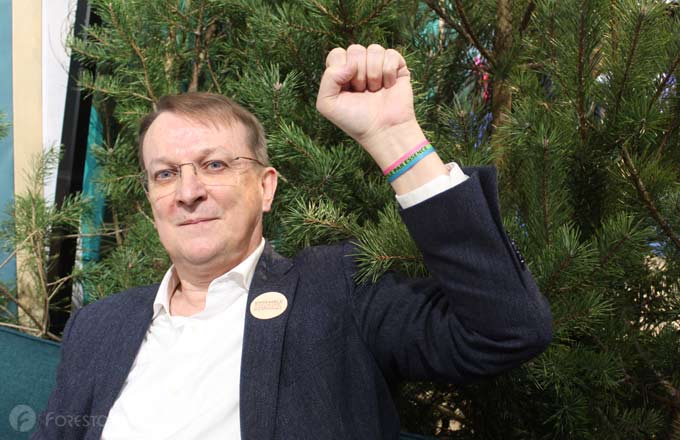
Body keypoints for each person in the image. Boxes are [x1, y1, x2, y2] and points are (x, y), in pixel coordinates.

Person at [33, 44, 552, 440]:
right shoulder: (99, 325)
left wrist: (396, 137)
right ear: (151, 200)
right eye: (166, 174)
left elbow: (507, 329)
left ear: (265, 187)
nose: (188, 192)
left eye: (214, 164)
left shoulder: (335, 289)